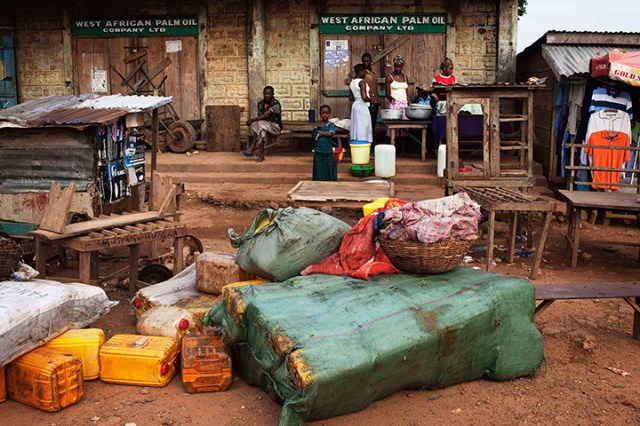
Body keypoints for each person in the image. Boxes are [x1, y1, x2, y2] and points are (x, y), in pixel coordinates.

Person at [242, 86, 282, 162]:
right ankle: (260, 155)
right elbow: (261, 117)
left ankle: (253, 146)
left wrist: (251, 120)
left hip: (275, 127)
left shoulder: (276, 104)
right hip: (264, 126)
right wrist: (254, 121)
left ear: (273, 94)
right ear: (263, 94)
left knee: (259, 124)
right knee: (260, 129)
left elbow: (265, 115)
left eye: (269, 94)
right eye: (265, 93)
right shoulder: (261, 104)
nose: (267, 95)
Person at [385, 55, 409, 138]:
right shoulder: (389, 77)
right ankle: (393, 147)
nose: (398, 68)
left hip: (404, 103)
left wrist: (409, 103)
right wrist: (391, 98)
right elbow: (387, 93)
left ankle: (403, 149)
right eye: (396, 66)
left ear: (403, 66)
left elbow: (406, 92)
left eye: (400, 67)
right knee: (393, 127)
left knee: (404, 128)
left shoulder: (405, 77)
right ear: (394, 65)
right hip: (394, 104)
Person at [311, 105, 338, 181]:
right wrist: (322, 133)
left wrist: (321, 133)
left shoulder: (331, 125)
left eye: (327, 113)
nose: (325, 115)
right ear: (320, 113)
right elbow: (314, 135)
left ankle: (329, 181)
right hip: (319, 150)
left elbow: (330, 134)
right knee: (319, 167)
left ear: (330, 113)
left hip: (328, 150)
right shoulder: (317, 125)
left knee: (328, 166)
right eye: (323, 113)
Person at [348, 63, 372, 143]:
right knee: (363, 127)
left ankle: (356, 143)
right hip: (362, 106)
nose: (365, 74)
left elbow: (351, 97)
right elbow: (364, 97)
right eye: (365, 72)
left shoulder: (352, 82)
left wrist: (357, 97)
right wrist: (371, 99)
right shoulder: (362, 82)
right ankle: (363, 144)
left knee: (357, 127)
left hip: (355, 106)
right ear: (360, 72)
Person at [361, 52, 380, 143]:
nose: (366, 63)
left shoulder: (373, 73)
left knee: (373, 124)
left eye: (368, 61)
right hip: (367, 102)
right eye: (364, 61)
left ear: (371, 61)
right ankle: (367, 144)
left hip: (374, 102)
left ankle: (372, 145)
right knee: (367, 125)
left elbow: (375, 88)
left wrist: (377, 99)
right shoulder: (363, 74)